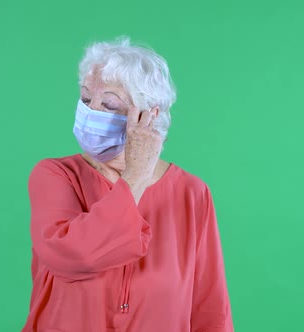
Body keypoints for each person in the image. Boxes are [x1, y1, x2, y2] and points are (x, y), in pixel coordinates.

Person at [22, 37, 233, 332]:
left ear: (149, 115)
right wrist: (134, 175)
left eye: (108, 103)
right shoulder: (56, 175)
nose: (91, 111)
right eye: (85, 99)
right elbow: (71, 257)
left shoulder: (192, 193)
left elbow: (210, 308)